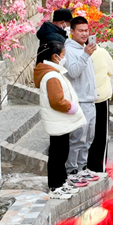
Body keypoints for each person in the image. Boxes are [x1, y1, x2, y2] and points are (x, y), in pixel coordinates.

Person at [33, 38, 86, 200]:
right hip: (58, 120)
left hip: (60, 121)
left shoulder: (53, 73)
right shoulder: (51, 76)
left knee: (62, 153)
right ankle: (56, 186)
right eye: (63, 55)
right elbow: (56, 101)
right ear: (55, 57)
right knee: (58, 155)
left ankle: (61, 182)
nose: (64, 58)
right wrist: (72, 107)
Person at [63, 17, 103, 186]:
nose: (84, 34)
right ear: (72, 31)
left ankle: (82, 167)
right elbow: (73, 72)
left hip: (90, 100)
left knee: (88, 138)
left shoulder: (84, 49)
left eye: (86, 30)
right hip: (79, 101)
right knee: (78, 138)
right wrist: (85, 55)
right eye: (80, 31)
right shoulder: (69, 50)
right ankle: (72, 170)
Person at [88, 37, 113, 174]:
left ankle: (86, 165)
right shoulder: (101, 52)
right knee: (100, 135)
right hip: (100, 99)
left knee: (86, 136)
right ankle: (98, 168)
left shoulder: (73, 52)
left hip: (83, 99)